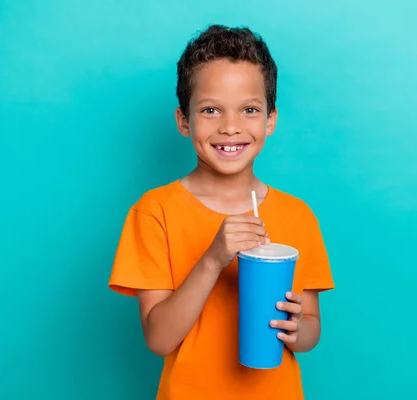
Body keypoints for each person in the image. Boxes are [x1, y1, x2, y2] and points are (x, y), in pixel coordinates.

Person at [108, 24, 334, 400]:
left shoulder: (299, 215)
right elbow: (160, 339)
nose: (231, 128)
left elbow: (310, 331)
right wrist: (213, 260)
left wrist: (298, 329)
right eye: (211, 110)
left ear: (270, 120)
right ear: (184, 121)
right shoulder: (154, 212)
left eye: (249, 110)